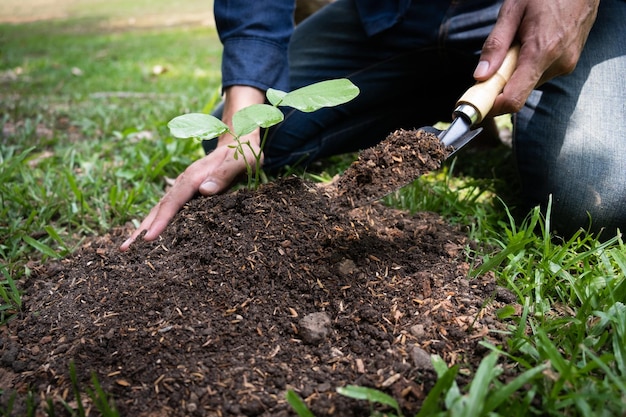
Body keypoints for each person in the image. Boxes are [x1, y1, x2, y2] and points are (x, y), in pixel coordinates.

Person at [120, 0, 626, 251]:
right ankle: (430, 96)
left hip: (543, 8)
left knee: (589, 197)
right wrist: (239, 132)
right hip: (399, 13)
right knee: (238, 136)